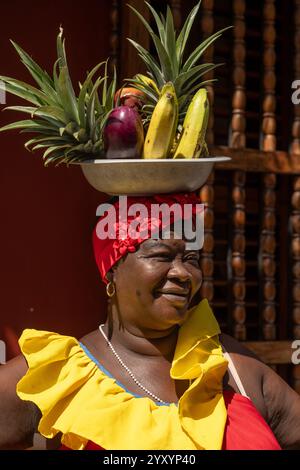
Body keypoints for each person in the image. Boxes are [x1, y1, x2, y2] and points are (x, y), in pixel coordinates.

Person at [0, 192, 299, 450]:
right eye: (161, 255)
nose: (183, 273)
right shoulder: (59, 378)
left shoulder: (231, 367)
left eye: (191, 259)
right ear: (112, 270)